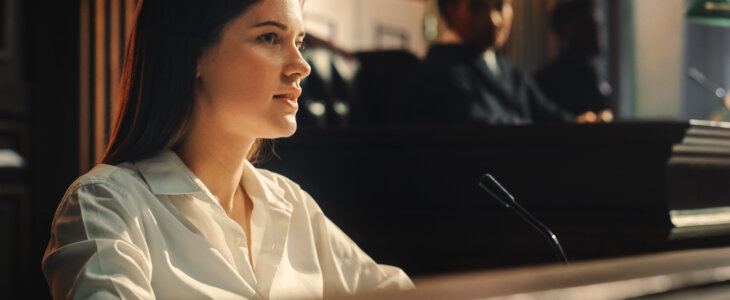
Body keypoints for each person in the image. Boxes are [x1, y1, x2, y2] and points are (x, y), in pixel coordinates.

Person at [41, 0, 414, 298]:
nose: (301, 65)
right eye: (270, 37)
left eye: (299, 42)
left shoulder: (292, 205)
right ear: (193, 55)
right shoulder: (105, 205)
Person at [409, 0, 597, 124]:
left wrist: (579, 122)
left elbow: (545, 112)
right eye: (477, 7)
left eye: (500, 5)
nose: (494, 20)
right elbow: (481, 125)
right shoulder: (439, 71)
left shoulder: (507, 68)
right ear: (450, 11)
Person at [535, 0, 613, 122]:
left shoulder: (597, 78)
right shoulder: (546, 83)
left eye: (599, 24)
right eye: (588, 24)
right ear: (566, 32)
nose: (598, 31)